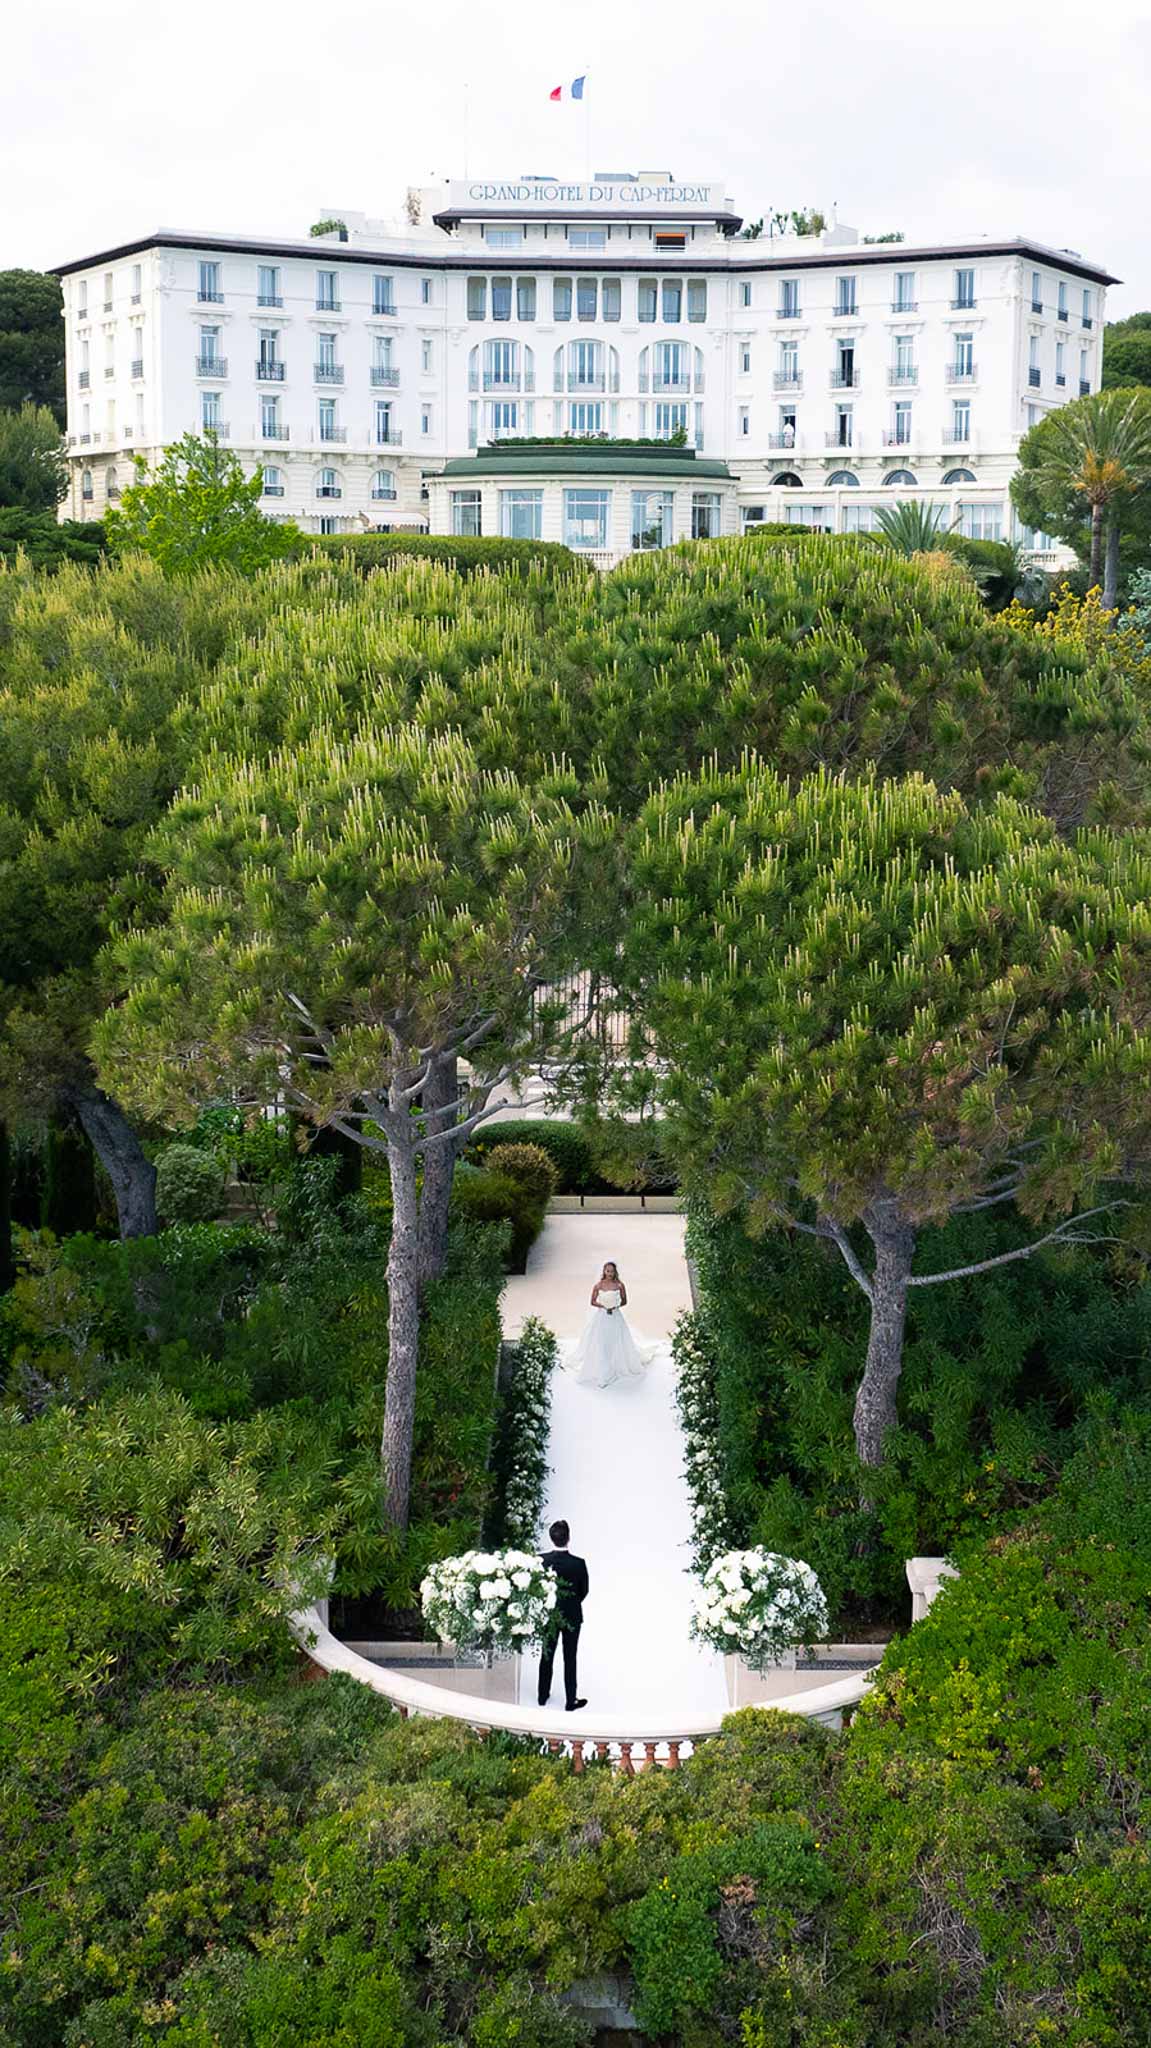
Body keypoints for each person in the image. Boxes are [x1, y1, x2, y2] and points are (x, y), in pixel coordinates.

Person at [566, 1261, 654, 1388]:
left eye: (612, 1271)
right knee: (602, 1341)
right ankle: (603, 1370)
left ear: (615, 1272)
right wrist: (603, 1305)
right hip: (602, 1316)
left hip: (615, 1316)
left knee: (617, 1339)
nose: (610, 1273)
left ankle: (618, 1364)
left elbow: (625, 1301)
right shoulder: (598, 1285)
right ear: (604, 1271)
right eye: (607, 1271)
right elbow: (592, 1301)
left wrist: (615, 1306)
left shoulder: (619, 1285)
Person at [537, 1518, 588, 1712]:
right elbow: (584, 1590)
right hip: (572, 1615)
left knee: (546, 1655)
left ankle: (542, 1695)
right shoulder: (579, 1564)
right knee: (570, 1657)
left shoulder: (541, 1561)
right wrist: (571, 1603)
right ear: (569, 1538)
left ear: (552, 1538)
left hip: (549, 1615)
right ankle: (570, 1700)